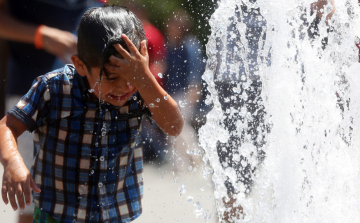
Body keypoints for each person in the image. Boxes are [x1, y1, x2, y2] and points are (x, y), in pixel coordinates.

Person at [0, 5, 184, 223]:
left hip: (114, 215)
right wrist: (12, 161)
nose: (124, 87)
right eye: (112, 78)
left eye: (133, 76)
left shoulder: (141, 91)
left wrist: (145, 79)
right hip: (57, 215)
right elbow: (7, 126)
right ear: (80, 65)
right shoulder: (54, 88)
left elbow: (174, 127)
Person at [164, 9, 205, 171]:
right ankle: (181, 163)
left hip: (185, 91)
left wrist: (194, 89)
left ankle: (195, 156)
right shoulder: (171, 44)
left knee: (178, 125)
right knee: (173, 127)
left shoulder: (190, 45)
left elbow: (195, 69)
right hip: (173, 91)